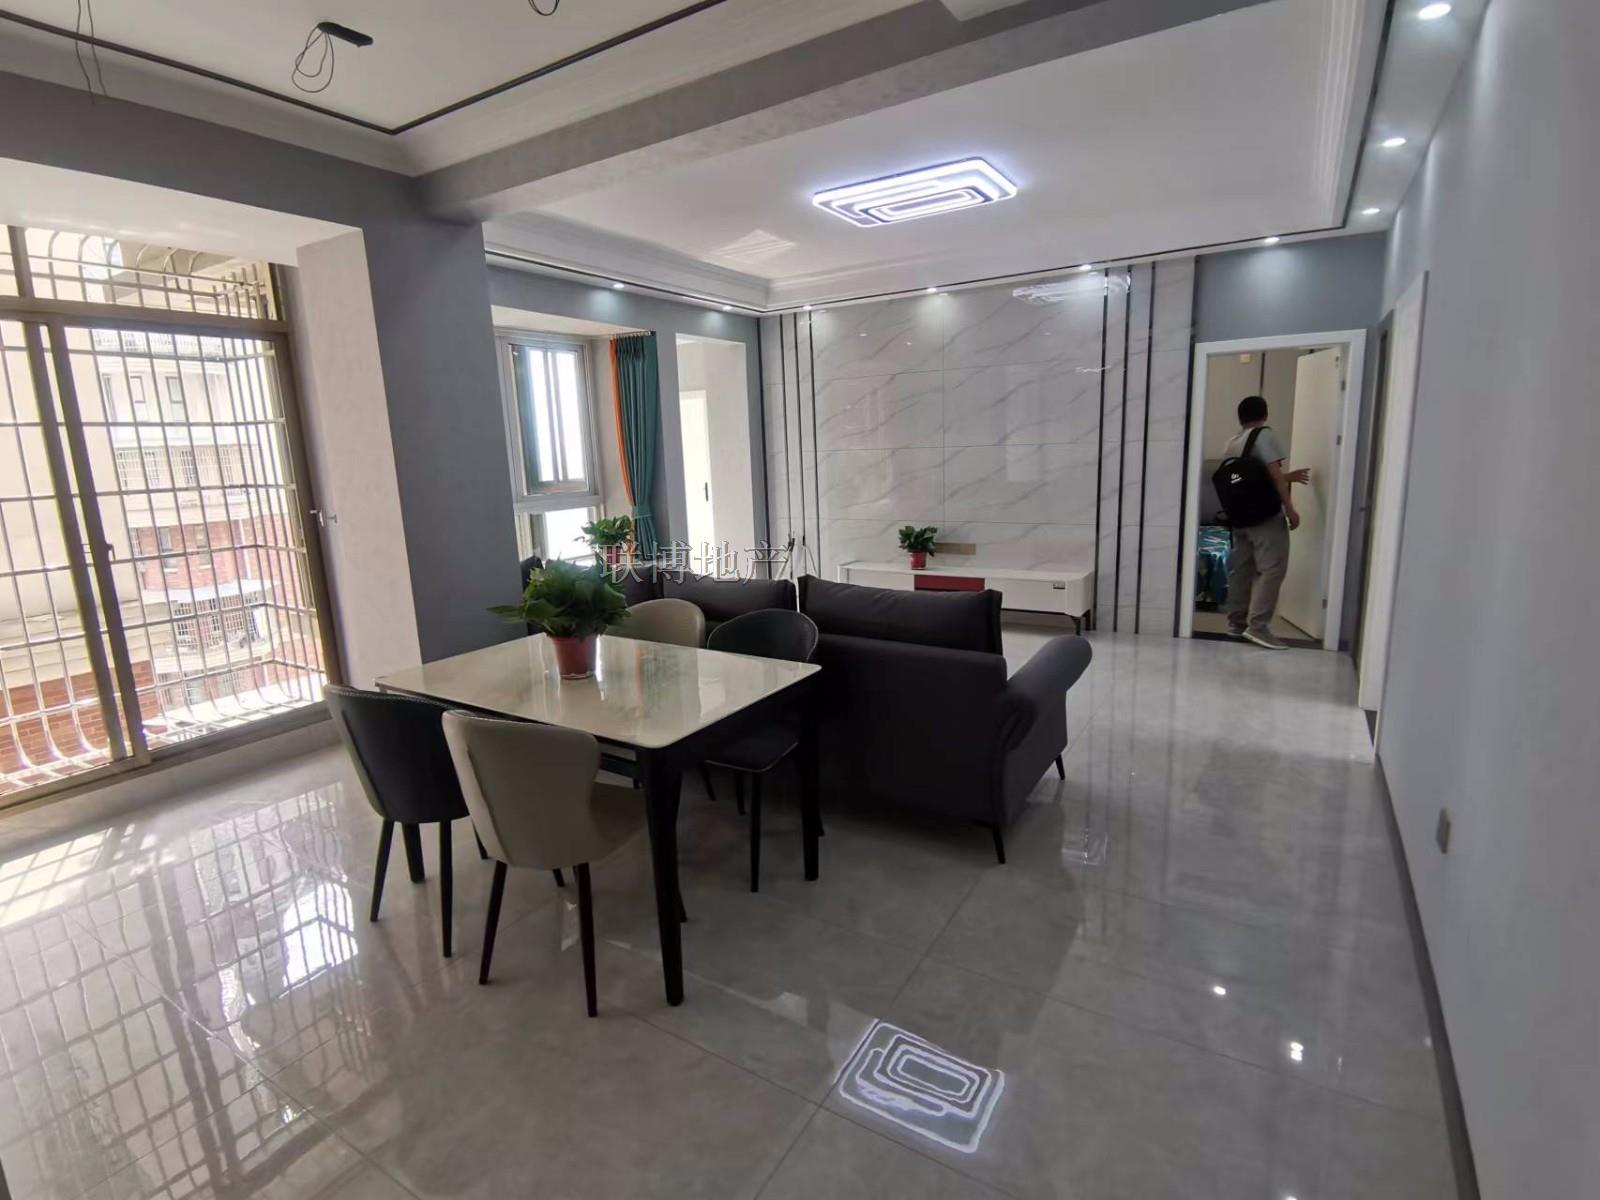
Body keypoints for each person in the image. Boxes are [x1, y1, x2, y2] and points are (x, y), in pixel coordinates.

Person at [1223, 395, 1309, 649]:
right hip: (1264, 516)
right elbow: (1273, 475)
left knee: (1242, 569)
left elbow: (1252, 477)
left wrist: (1288, 476)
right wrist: (1290, 508)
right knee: (1273, 568)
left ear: (1241, 417)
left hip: (1240, 516)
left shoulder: (1233, 442)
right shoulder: (1265, 435)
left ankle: (1236, 624)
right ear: (1265, 414)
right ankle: (1258, 627)